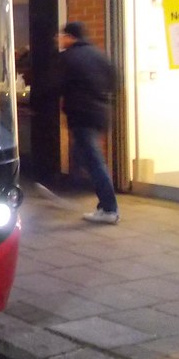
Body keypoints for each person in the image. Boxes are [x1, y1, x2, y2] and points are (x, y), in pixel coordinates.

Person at [56, 22, 120, 224]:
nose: (59, 39)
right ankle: (95, 200)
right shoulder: (100, 55)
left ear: (70, 37)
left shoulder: (69, 57)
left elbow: (57, 85)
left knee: (93, 161)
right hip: (100, 114)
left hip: (82, 116)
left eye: (62, 35)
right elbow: (116, 82)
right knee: (83, 155)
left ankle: (109, 208)